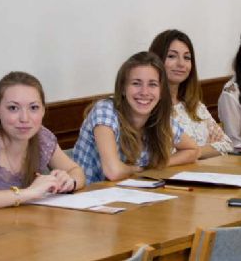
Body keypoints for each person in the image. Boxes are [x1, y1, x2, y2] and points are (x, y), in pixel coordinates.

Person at [0, 71, 85, 211]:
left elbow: (75, 170)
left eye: (34, 108)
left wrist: (69, 181)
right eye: (13, 108)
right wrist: (29, 193)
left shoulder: (42, 137)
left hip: (24, 226)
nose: (24, 118)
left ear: (43, 111)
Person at [73, 51, 200, 185]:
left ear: (161, 91)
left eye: (152, 84)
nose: (144, 92)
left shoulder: (157, 115)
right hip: (86, 198)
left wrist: (156, 164)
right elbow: (113, 171)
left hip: (128, 195)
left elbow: (193, 150)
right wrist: (141, 168)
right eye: (136, 83)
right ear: (122, 88)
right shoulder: (105, 110)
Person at [149, 29, 233, 158]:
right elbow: (161, 156)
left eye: (187, 58)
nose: (181, 64)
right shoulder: (146, 105)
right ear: (156, 59)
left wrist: (191, 152)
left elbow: (227, 144)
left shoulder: (195, 106)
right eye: (171, 56)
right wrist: (207, 148)